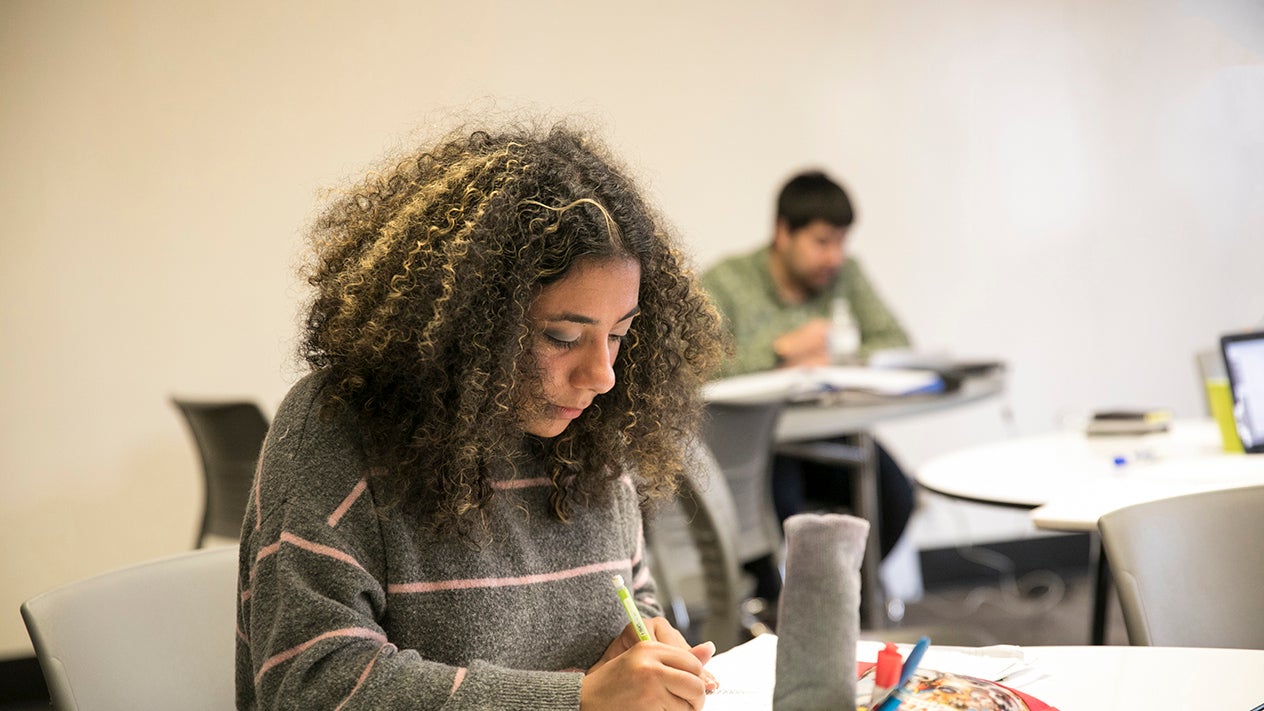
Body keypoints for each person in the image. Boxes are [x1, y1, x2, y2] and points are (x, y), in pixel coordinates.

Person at [235, 124, 727, 710]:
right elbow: (311, 686)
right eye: (562, 336)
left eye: (619, 335)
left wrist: (636, 648)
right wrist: (575, 700)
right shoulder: (334, 430)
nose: (602, 376)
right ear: (469, 328)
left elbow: (629, 596)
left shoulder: (590, 436)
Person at [700, 170, 915, 603]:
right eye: (822, 242)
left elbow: (895, 342)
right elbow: (699, 366)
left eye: (841, 242)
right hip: (758, 443)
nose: (834, 256)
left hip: (831, 432)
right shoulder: (726, 281)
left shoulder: (845, 274)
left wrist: (839, 358)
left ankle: (835, 601)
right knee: (778, 510)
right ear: (783, 232)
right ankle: (786, 613)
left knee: (894, 496)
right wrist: (779, 350)